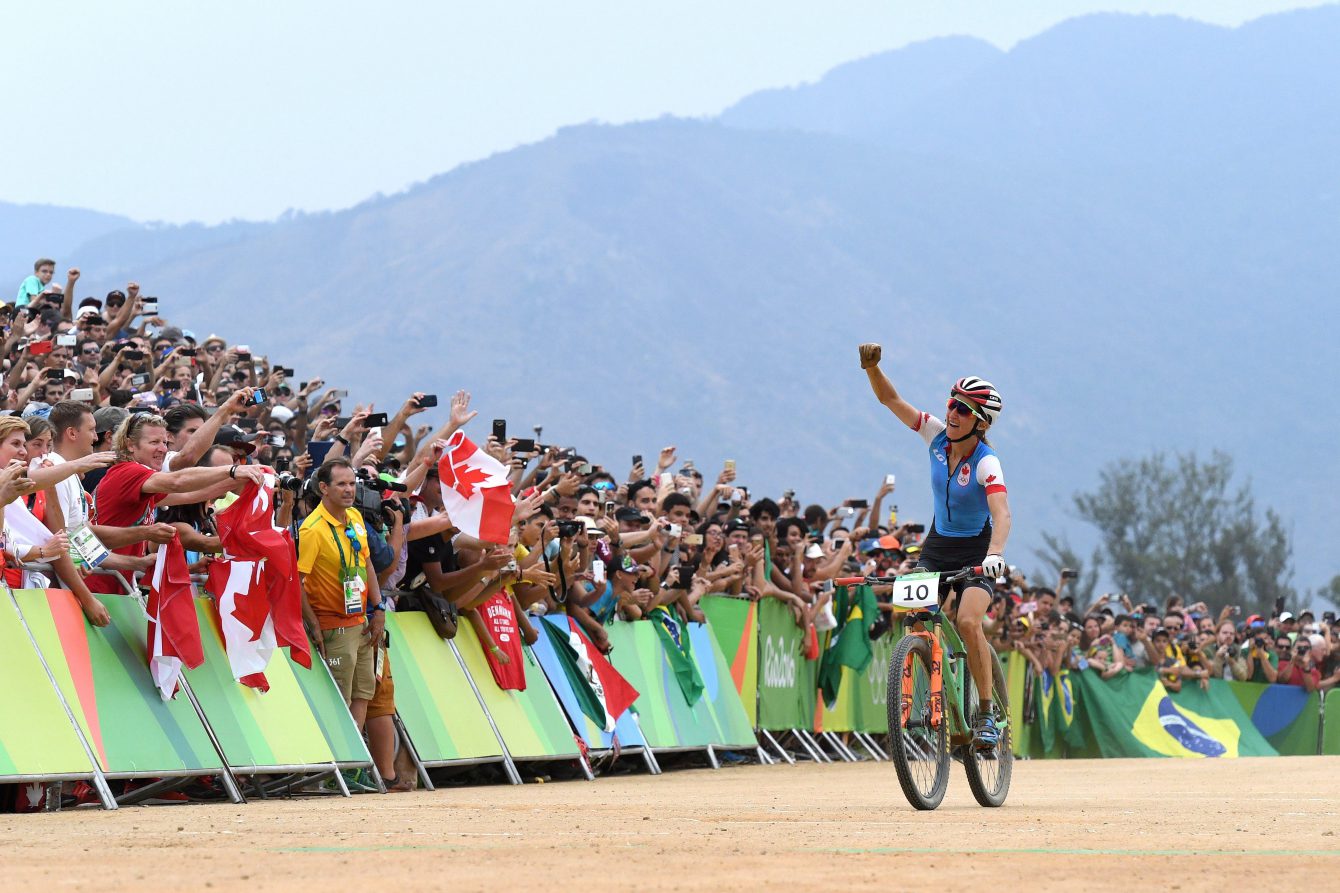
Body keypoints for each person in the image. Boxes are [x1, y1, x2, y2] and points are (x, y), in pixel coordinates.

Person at [859, 342, 1011, 750]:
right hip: (938, 545)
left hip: (977, 549)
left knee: (967, 621)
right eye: (951, 404)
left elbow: (1002, 513)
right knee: (917, 616)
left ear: (981, 422)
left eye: (964, 410)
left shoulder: (986, 462)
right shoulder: (935, 436)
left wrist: (995, 554)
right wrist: (872, 368)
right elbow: (891, 400)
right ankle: (936, 687)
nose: (953, 413)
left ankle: (985, 714)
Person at [296, 458, 386, 793]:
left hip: (361, 621)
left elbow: (367, 564)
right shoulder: (312, 529)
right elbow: (296, 582)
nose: (350, 490)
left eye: (352, 484)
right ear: (324, 488)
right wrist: (313, 623)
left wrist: (378, 608)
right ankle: (331, 768)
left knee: (363, 693)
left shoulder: (355, 518)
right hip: (333, 625)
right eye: (342, 484)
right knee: (339, 697)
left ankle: (351, 762)